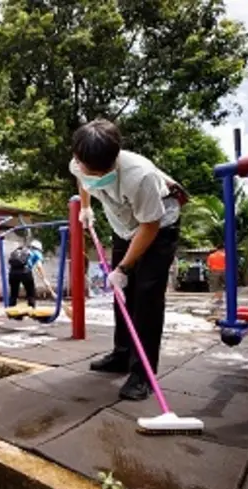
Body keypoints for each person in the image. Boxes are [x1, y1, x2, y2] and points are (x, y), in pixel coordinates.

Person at [70, 118, 187, 401]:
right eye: (89, 170)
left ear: (115, 160)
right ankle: (122, 354)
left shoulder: (140, 176)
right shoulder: (79, 162)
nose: (94, 176)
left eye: (102, 172)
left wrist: (123, 267)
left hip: (157, 226)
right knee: (122, 293)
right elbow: (82, 179)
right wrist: (86, 207)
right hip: (123, 225)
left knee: (146, 296)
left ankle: (142, 374)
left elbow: (150, 226)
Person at [7, 239, 53, 307]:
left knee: (13, 294)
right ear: (39, 248)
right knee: (31, 293)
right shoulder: (37, 253)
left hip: (12, 272)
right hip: (25, 272)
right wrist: (44, 279)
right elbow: (39, 267)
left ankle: (11, 310)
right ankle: (31, 308)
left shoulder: (21, 250)